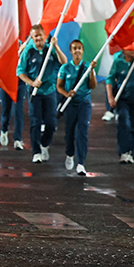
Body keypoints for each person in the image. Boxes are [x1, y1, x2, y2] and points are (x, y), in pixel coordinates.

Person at [19, 25, 66, 163]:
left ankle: (45, 144)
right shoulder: (28, 51)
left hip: (50, 91)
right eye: (35, 36)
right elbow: (20, 72)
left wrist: (56, 46)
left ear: (44, 35)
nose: (39, 38)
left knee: (51, 123)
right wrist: (32, 83)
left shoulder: (50, 49)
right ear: (32, 38)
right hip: (35, 93)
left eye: (40, 35)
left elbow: (64, 62)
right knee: (35, 122)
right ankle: (36, 152)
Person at [57, 39, 97, 175]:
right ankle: (69, 154)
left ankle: (81, 163)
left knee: (82, 131)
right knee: (69, 132)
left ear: (83, 50)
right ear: (71, 51)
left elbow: (93, 86)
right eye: (74, 48)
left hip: (84, 103)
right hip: (70, 105)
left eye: (79, 48)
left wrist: (91, 71)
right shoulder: (65, 68)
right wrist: (67, 94)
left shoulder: (87, 68)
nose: (77, 51)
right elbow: (59, 86)